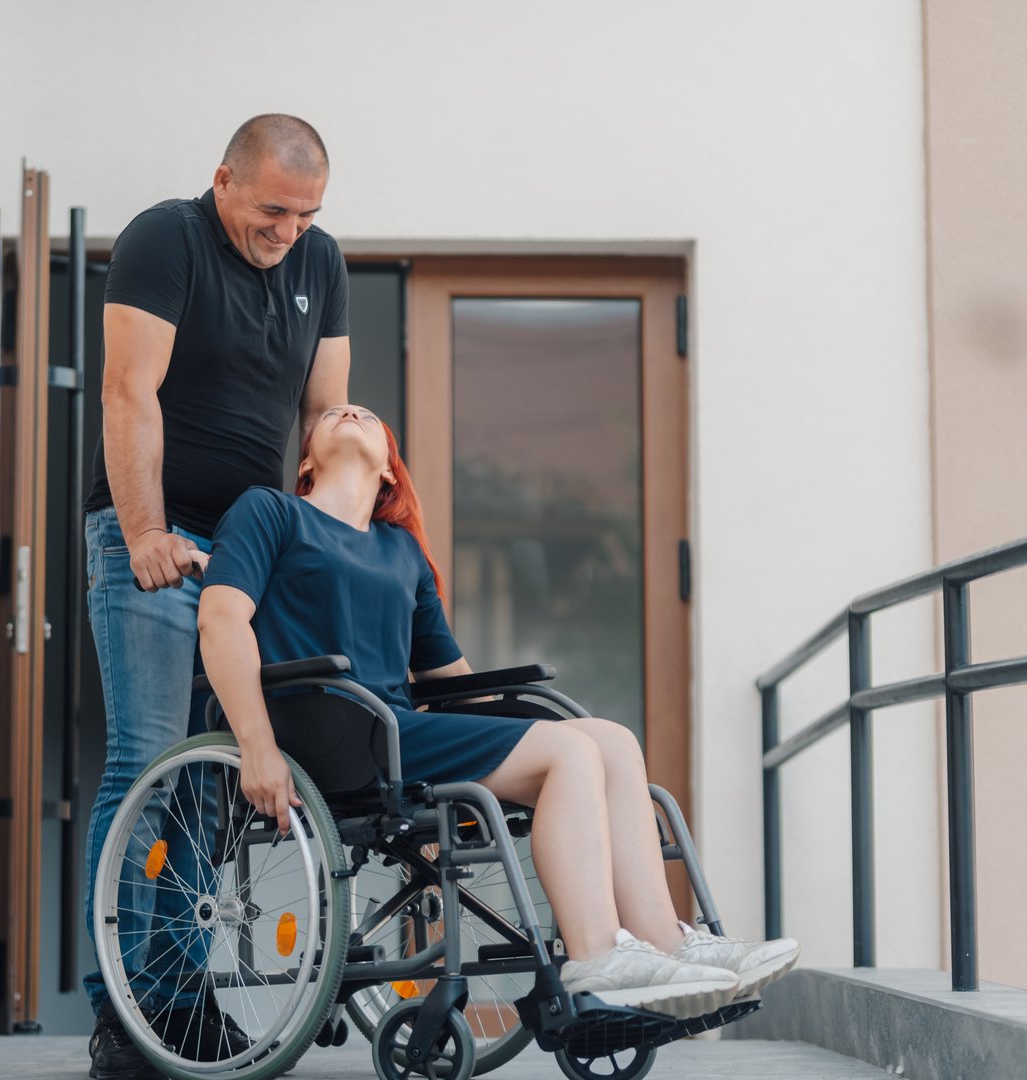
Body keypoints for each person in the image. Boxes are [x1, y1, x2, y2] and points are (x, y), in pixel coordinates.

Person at [197, 404, 802, 1021]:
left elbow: (455, 682)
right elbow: (221, 620)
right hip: (325, 729)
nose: (350, 409)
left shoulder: (400, 551)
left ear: (388, 470)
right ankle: (595, 955)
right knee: (568, 752)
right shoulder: (270, 512)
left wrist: (518, 734)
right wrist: (257, 747)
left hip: (394, 735)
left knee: (609, 741)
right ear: (305, 463)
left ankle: (669, 944)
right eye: (332, 415)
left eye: (368, 416)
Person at [82, 114, 351, 1080]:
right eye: (273, 210)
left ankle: (181, 999)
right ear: (224, 181)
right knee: (144, 763)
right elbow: (128, 392)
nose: (288, 232)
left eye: (306, 214)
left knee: (213, 778)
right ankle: (124, 1011)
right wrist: (148, 530)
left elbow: (322, 419)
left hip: (248, 548)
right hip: (153, 535)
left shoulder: (321, 260)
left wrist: (322, 542)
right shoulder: (169, 238)